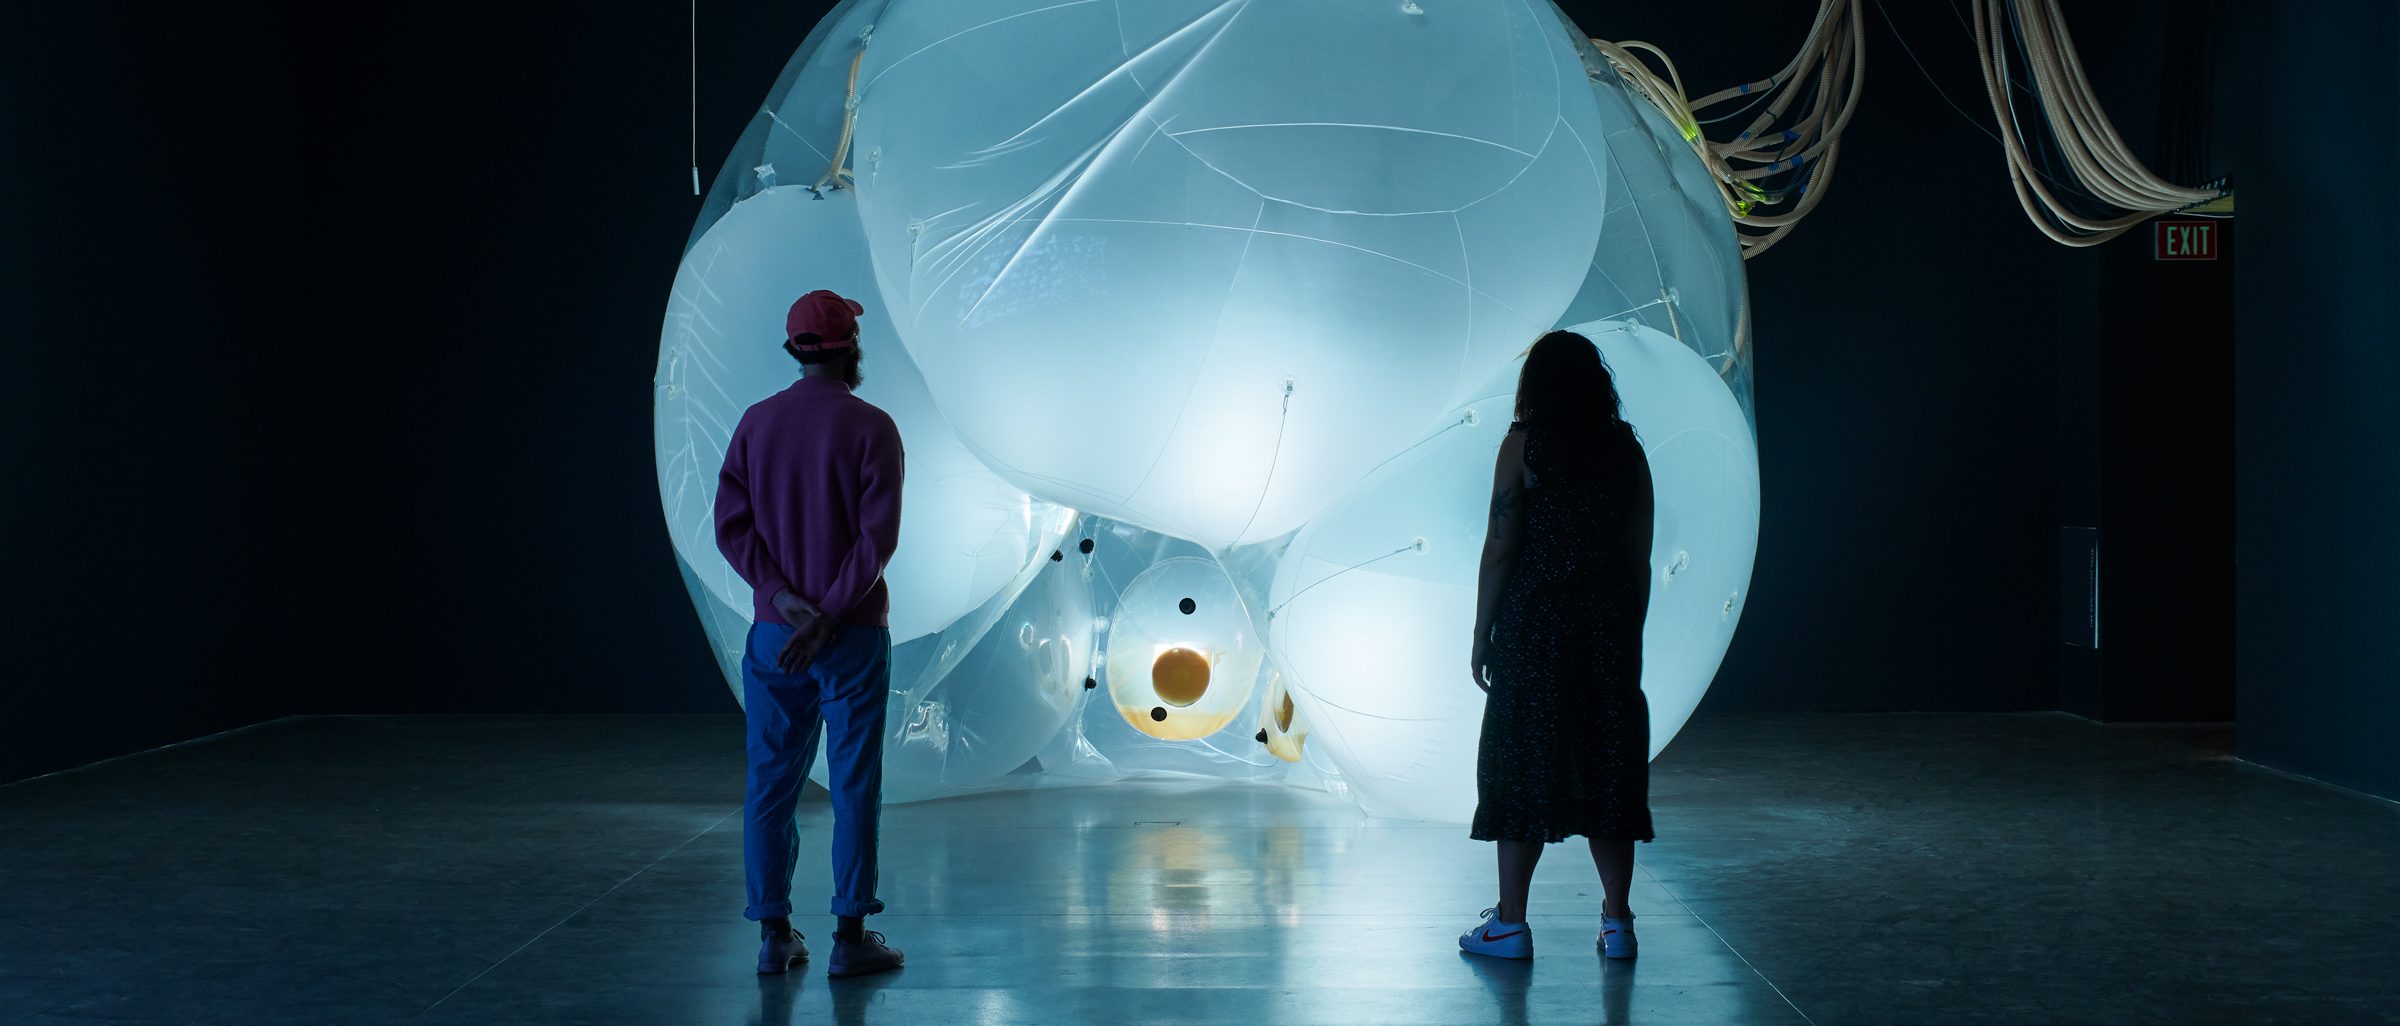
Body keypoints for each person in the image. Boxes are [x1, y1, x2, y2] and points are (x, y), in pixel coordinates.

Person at [714, 289, 907, 977]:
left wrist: (785, 601)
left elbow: (731, 530)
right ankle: (850, 941)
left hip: (776, 638)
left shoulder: (755, 424)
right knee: (855, 784)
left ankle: (774, 936)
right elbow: (875, 540)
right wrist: (826, 611)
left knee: (770, 784)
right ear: (852, 350)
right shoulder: (873, 428)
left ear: (793, 349)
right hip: (850, 634)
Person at [1458, 330, 1656, 962]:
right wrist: (1629, 632)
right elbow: (1638, 556)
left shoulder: (1523, 446)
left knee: (1523, 763)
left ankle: (1510, 925)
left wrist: (1480, 632)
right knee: (1607, 768)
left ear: (1533, 386)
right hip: (1606, 626)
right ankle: (1618, 921)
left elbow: (1500, 546)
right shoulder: (1626, 451)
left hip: (1535, 627)